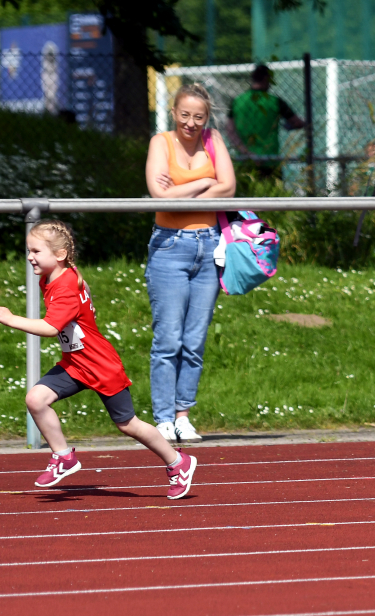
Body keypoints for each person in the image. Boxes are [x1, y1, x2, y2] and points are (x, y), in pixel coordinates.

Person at [0, 220, 197, 499]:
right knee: (35, 399)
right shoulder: (55, 276)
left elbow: (50, 328)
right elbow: (82, 295)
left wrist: (9, 319)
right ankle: (64, 457)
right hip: (76, 364)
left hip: (100, 366)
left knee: (128, 424)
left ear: (59, 255)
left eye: (35, 251)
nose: (29, 257)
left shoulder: (65, 284)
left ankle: (179, 462)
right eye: (28, 251)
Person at [145, 83, 236, 444]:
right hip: (170, 246)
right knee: (168, 338)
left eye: (198, 117)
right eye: (185, 115)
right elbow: (160, 196)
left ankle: (183, 414)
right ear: (174, 112)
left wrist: (185, 189)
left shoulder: (213, 139)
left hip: (209, 244)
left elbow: (228, 188)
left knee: (194, 340)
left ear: (207, 117)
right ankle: (163, 417)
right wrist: (204, 180)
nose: (191, 123)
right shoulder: (160, 142)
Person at [227, 64, 305, 178]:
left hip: (244, 160)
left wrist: (245, 152)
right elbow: (296, 122)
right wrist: (298, 124)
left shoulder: (238, 101)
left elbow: (230, 130)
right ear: (266, 79)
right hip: (269, 161)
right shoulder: (274, 101)